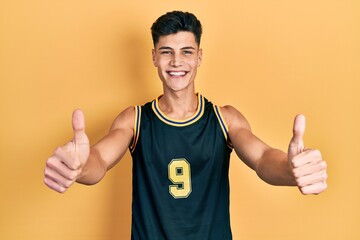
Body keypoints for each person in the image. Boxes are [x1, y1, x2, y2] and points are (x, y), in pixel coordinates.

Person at [44, 11, 328, 239]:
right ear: (154, 56)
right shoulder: (135, 120)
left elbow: (264, 158)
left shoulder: (224, 118)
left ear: (200, 56)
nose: (176, 61)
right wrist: (78, 166)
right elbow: (99, 160)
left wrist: (291, 171)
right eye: (166, 51)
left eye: (186, 51)